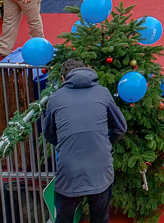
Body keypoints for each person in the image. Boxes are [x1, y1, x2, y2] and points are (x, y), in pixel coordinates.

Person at [43, 59, 127, 223]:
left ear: (63, 79)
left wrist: (66, 145)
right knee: (100, 218)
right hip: (101, 170)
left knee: (63, 218)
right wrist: (103, 142)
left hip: (69, 171)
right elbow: (120, 127)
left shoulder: (55, 99)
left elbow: (49, 134)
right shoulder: (102, 92)